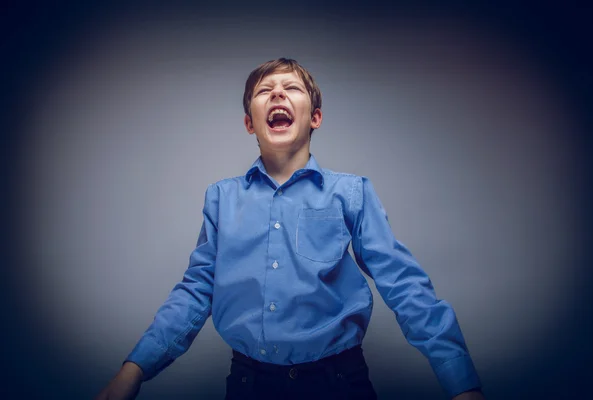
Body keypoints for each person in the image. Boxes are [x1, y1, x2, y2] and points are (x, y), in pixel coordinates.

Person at [95, 58, 485, 400]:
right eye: (265, 90)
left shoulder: (350, 193)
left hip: (338, 383)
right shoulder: (221, 199)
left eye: (291, 88)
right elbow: (197, 290)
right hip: (249, 384)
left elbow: (403, 284)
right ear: (250, 122)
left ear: (315, 116)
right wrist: (134, 370)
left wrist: (460, 383)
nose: (277, 94)